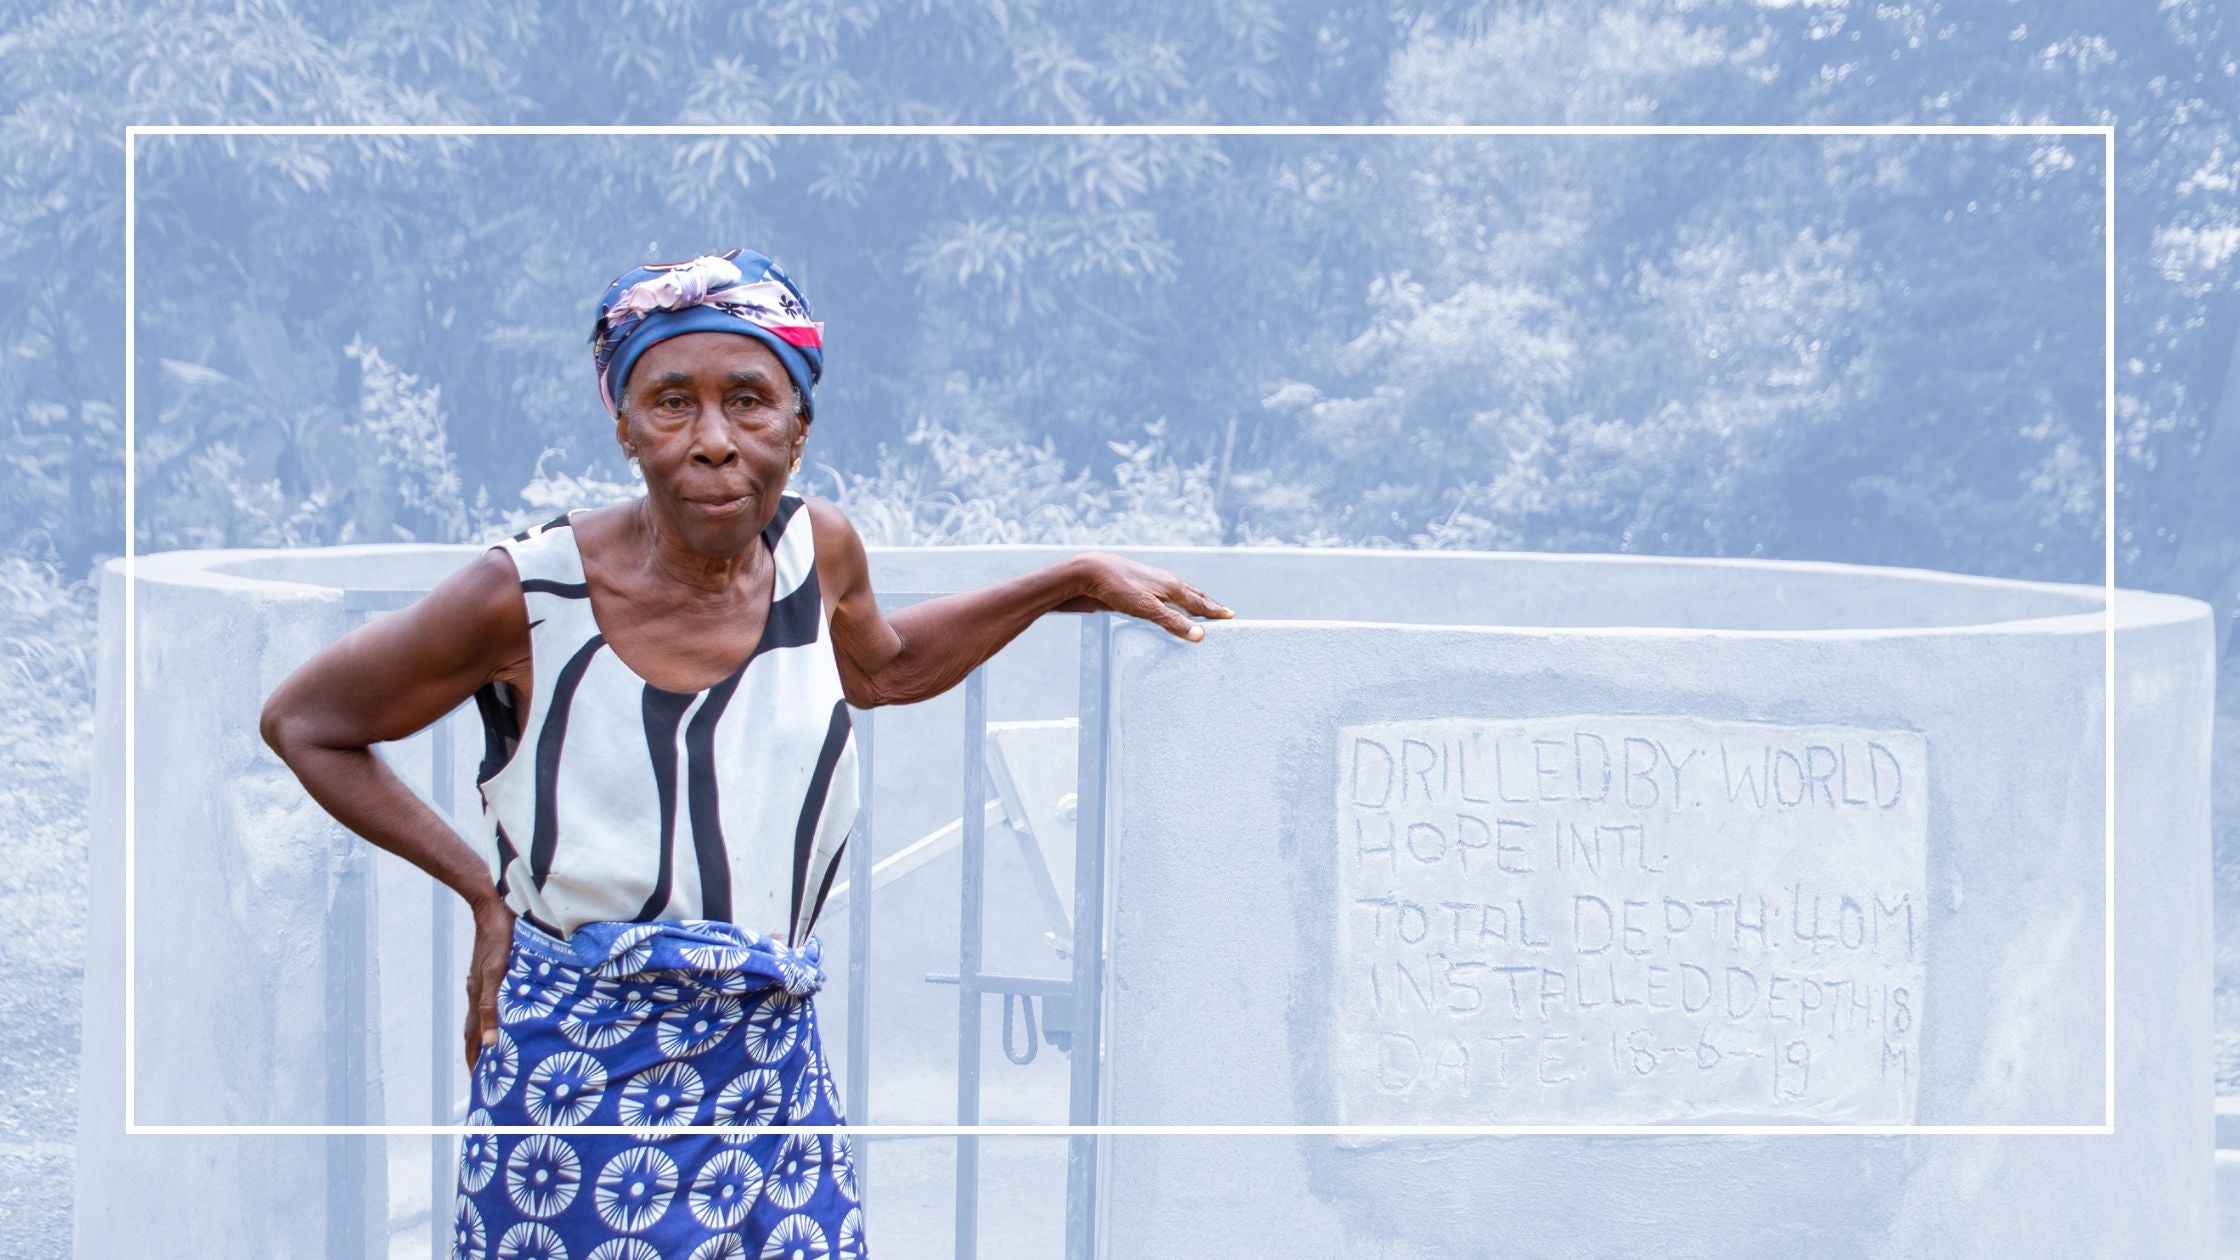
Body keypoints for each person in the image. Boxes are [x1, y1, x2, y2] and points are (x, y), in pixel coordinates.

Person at [257, 246, 1233, 1258]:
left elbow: (884, 666)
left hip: (769, 1075)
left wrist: (1061, 581)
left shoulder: (821, 554)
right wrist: (480, 895)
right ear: (624, 427)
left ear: (799, 427)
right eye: (671, 403)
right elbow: (309, 723)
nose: (714, 441)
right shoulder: (527, 594)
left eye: (750, 402)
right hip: (581, 1078)